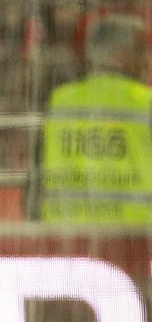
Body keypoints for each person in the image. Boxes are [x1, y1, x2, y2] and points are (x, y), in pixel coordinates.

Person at [40, 13, 152, 223]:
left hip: (65, 231)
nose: (147, 60)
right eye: (141, 50)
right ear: (121, 54)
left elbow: (37, 177)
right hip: (134, 233)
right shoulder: (145, 101)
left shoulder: (59, 100)